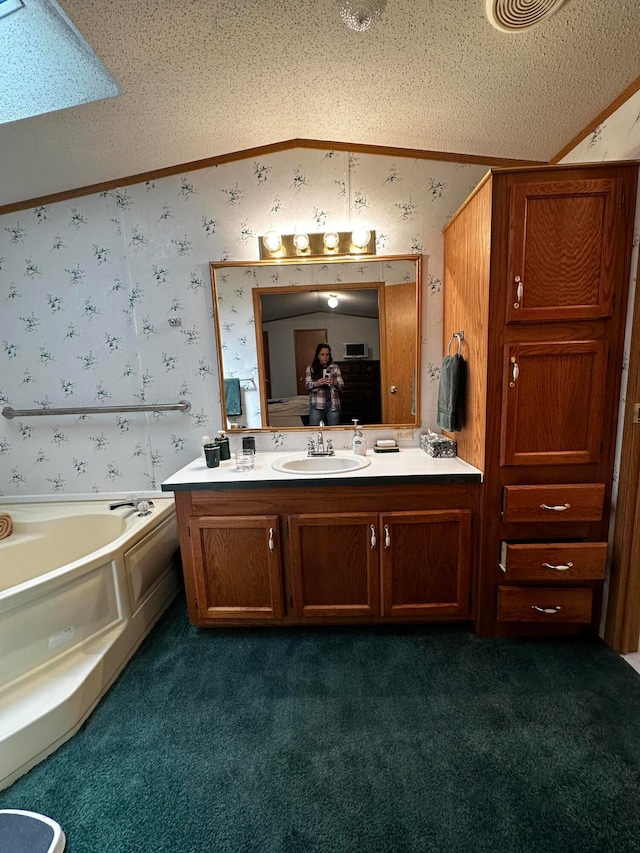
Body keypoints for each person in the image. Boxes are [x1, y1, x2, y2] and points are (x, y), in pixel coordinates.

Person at [305, 342, 344, 426]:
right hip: (317, 405)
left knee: (335, 432)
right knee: (314, 431)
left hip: (333, 405)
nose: (325, 357)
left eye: (327, 354)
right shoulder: (311, 368)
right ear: (318, 355)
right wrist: (317, 383)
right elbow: (307, 386)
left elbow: (341, 385)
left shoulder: (335, 367)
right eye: (322, 354)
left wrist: (334, 382)